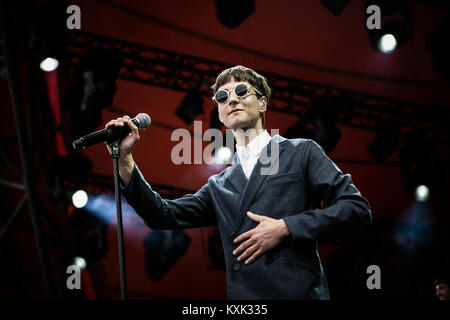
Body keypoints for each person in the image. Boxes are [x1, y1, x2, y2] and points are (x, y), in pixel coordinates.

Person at [105, 65, 372, 300]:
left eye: (242, 91)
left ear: (263, 103)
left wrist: (286, 227)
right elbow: (162, 215)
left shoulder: (301, 151)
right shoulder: (220, 184)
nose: (232, 98)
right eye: (223, 97)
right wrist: (125, 160)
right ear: (220, 115)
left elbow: (356, 208)